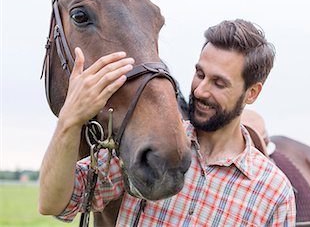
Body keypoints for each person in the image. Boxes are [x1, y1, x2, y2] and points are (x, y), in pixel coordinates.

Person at [39, 19, 296, 226]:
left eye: (219, 83)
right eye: (199, 74)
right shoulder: (152, 147)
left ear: (252, 93)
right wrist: (69, 120)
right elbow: (56, 203)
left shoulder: (273, 193)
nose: (200, 91)